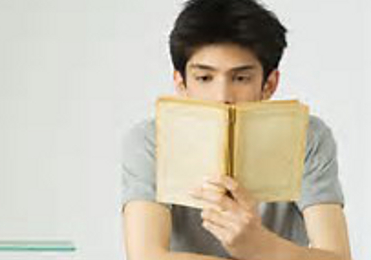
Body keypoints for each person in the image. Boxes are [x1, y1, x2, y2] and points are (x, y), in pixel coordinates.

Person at [121, 0, 352, 259]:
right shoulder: (151, 140)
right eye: (204, 78)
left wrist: (259, 245)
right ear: (181, 83)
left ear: (269, 84)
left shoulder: (307, 136)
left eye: (241, 78)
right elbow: (145, 255)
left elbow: (338, 256)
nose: (223, 96)